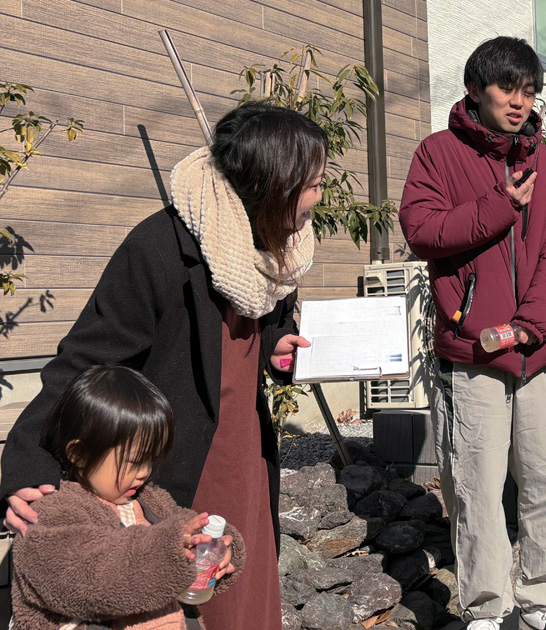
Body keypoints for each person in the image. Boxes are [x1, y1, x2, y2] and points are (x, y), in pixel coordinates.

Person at [0, 101, 326, 628]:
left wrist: (276, 346)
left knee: (246, 594)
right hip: (179, 461)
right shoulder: (160, 248)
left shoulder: (274, 245)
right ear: (270, 187)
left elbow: (268, 319)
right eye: (310, 185)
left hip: (245, 447)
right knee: (192, 598)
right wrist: (26, 471)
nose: (318, 196)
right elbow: (83, 362)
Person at [400, 36, 546, 630]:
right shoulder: (437, 153)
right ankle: (485, 606)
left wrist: (534, 324)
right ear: (475, 89)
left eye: (529, 91)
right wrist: (500, 205)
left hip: (540, 351)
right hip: (472, 350)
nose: (519, 102)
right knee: (475, 484)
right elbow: (422, 231)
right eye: (508, 88)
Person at [12, 365, 244, 629]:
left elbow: (186, 526)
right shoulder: (51, 513)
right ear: (79, 454)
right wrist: (167, 551)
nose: (144, 472)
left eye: (151, 459)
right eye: (134, 461)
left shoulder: (151, 499)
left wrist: (218, 548)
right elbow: (90, 579)